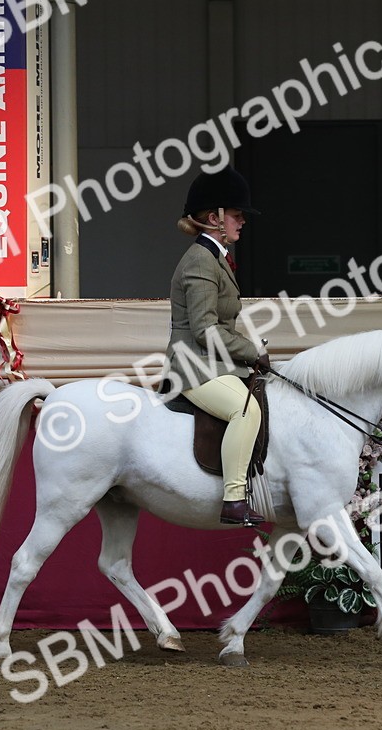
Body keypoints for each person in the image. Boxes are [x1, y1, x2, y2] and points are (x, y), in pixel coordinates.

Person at [163, 166, 270, 526]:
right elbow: (207, 330)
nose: (243, 222)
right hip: (194, 365)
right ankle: (234, 498)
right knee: (245, 410)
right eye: (237, 216)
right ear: (215, 218)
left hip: (214, 362)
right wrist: (252, 352)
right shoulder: (199, 261)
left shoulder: (215, 258)